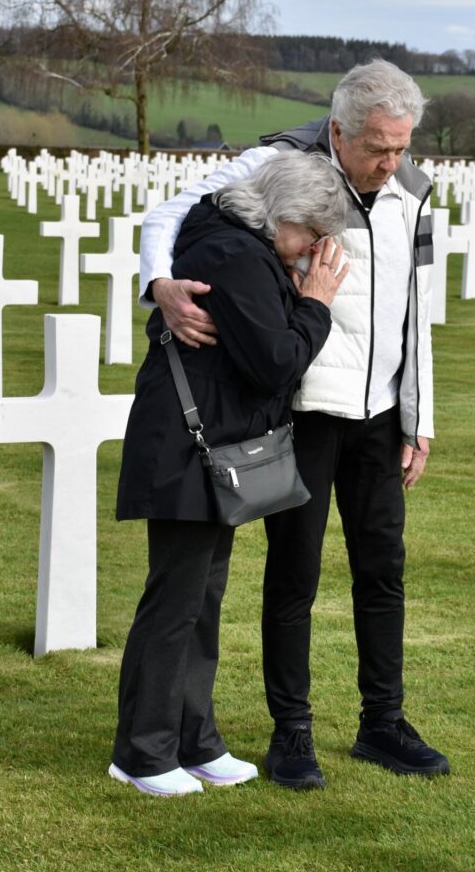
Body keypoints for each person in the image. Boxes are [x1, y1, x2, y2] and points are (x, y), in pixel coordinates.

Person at [138, 59, 449, 790]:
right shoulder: (275, 164)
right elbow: (167, 215)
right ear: (337, 130)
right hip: (304, 408)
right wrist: (161, 286)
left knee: (383, 571)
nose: (390, 162)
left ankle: (383, 722)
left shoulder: (413, 192)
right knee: (294, 577)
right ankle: (293, 734)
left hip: (379, 414)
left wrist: (419, 418)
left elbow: (416, 313)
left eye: (401, 146)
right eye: (377, 147)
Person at [109, 152, 351, 796]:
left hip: (210, 444)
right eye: (313, 235)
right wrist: (316, 304)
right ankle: (142, 751)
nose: (314, 252)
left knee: (203, 600)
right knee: (175, 602)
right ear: (284, 219)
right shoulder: (234, 256)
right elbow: (276, 362)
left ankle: (196, 739)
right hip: (188, 448)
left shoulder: (238, 245)